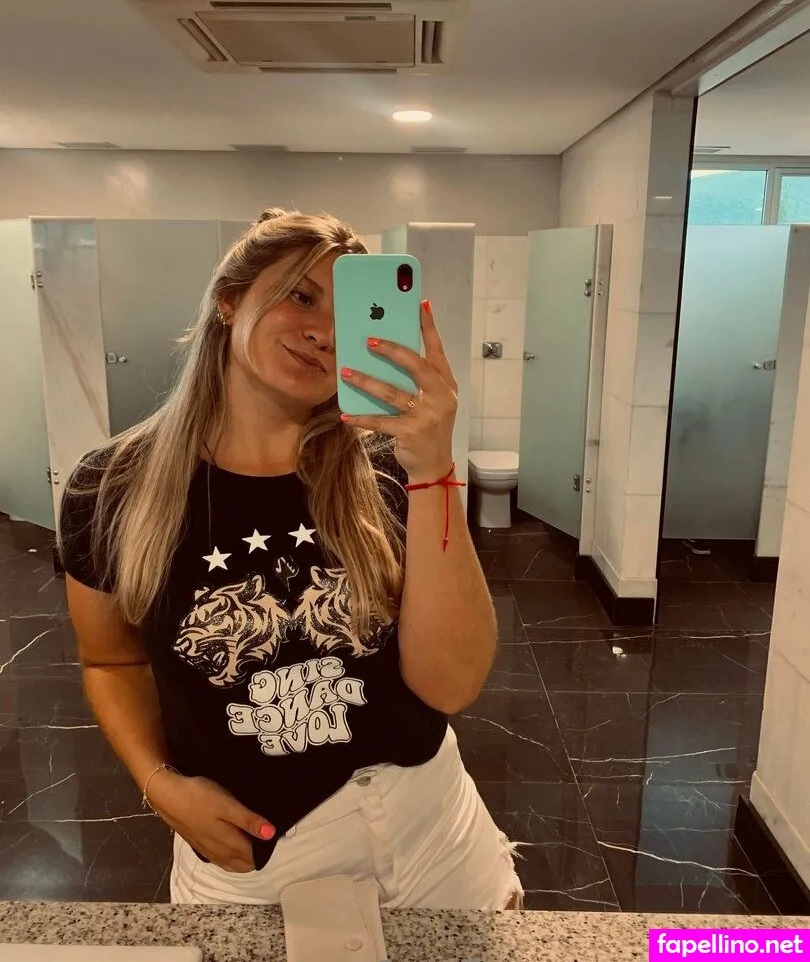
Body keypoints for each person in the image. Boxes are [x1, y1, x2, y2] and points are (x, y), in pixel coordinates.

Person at [59, 208, 524, 910]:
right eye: (301, 297)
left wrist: (434, 469)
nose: (325, 333)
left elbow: (451, 686)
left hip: (434, 824)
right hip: (257, 859)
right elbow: (111, 662)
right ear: (229, 300)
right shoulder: (113, 487)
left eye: (348, 315)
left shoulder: (387, 469)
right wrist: (160, 786)